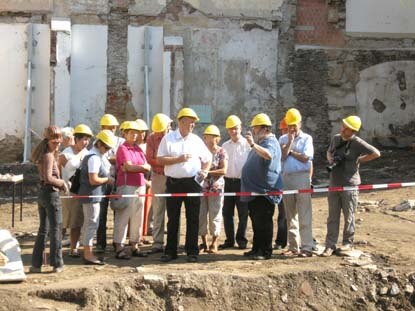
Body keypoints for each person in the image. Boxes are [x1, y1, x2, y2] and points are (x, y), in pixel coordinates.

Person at [157, 107, 212, 263]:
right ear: (181, 121)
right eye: (191, 122)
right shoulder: (168, 139)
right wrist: (178, 159)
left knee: (193, 217)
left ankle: (192, 251)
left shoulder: (196, 140)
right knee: (172, 218)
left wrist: (205, 171)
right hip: (173, 183)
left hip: (192, 183)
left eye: (194, 123)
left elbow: (207, 158)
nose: (193, 125)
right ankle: (171, 251)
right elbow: (160, 160)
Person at [321, 116, 380, 257]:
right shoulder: (336, 139)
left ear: (352, 130)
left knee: (349, 216)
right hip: (334, 183)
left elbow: (376, 153)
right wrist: (330, 159)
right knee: (332, 216)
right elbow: (329, 151)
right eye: (343, 126)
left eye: (346, 127)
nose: (342, 129)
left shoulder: (357, 143)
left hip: (350, 184)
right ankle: (330, 245)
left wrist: (359, 160)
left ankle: (347, 243)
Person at [241, 113, 282, 260]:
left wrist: (252, 144)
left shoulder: (270, 142)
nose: (253, 131)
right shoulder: (262, 143)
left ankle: (265, 251)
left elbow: (268, 156)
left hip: (264, 192)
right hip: (254, 191)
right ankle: (256, 248)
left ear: (265, 129)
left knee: (264, 222)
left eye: (255, 128)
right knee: (256, 221)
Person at [30, 126, 68, 273]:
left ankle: (36, 264)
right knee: (55, 229)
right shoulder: (48, 156)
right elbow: (48, 178)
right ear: (47, 140)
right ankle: (57, 263)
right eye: (54, 139)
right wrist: (62, 183)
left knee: (43, 230)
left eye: (59, 139)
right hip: (51, 195)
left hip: (43, 195)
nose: (58, 142)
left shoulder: (45, 154)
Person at [113, 121, 151, 260]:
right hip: (126, 184)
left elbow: (137, 166)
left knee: (138, 216)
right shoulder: (123, 148)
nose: (135, 135)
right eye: (131, 132)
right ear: (125, 133)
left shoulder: (138, 149)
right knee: (123, 215)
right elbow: (128, 167)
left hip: (139, 184)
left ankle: (135, 244)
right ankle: (119, 246)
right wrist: (143, 168)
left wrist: (138, 167)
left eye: (136, 132)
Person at [279, 108, 314, 258]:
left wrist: (291, 151)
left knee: (304, 212)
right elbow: (281, 157)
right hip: (286, 178)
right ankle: (293, 246)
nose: (292, 128)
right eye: (289, 125)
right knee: (290, 213)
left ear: (300, 123)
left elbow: (306, 157)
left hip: (301, 177)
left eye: (294, 125)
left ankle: (306, 246)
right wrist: (290, 142)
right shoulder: (282, 139)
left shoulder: (307, 139)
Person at [78, 130, 115, 265]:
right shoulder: (94, 157)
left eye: (109, 148)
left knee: (91, 223)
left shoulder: (95, 155)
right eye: (106, 147)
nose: (107, 150)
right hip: (91, 195)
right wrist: (107, 180)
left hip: (93, 195)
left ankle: (88, 252)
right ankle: (88, 254)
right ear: (99, 144)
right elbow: (93, 180)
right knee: (91, 224)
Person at [59, 124, 93, 257]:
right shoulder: (65, 154)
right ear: (76, 139)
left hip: (80, 192)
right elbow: (56, 171)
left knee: (77, 222)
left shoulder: (87, 154)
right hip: (66, 192)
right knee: (62, 221)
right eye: (84, 139)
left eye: (88, 139)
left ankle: (73, 248)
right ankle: (56, 247)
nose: (86, 142)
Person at [220, 115, 251, 250]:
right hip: (227, 182)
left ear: (241, 128)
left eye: (236, 128)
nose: (234, 131)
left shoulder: (247, 145)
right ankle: (229, 239)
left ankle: (241, 239)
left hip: (242, 182)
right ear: (227, 130)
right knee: (227, 212)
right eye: (231, 129)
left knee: (243, 213)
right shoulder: (225, 146)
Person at [96, 114, 124, 252]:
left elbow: (121, 158)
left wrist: (113, 158)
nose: (111, 130)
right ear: (102, 128)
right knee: (100, 214)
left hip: (117, 180)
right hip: (101, 182)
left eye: (113, 128)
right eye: (108, 128)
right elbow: (101, 158)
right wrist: (117, 158)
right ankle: (100, 243)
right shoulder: (98, 142)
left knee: (118, 213)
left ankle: (117, 242)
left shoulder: (121, 141)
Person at [199, 125, 228, 253]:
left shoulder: (222, 152)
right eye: (208, 137)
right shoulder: (200, 151)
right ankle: (204, 242)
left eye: (213, 137)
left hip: (216, 188)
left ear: (218, 139)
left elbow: (224, 170)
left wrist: (207, 171)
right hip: (201, 188)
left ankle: (214, 242)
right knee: (201, 214)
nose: (210, 140)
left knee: (215, 214)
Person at [146, 113, 172, 253]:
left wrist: (164, 161)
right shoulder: (151, 138)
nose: (161, 134)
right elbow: (150, 159)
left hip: (173, 176)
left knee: (173, 210)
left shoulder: (174, 137)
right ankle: (157, 242)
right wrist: (166, 162)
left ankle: (172, 242)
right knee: (158, 209)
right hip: (158, 176)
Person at [274, 118, 288, 250]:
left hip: (294, 181)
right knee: (283, 214)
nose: (284, 132)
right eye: (283, 130)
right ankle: (281, 241)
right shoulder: (280, 143)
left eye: (285, 129)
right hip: (282, 182)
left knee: (295, 214)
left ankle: (296, 240)